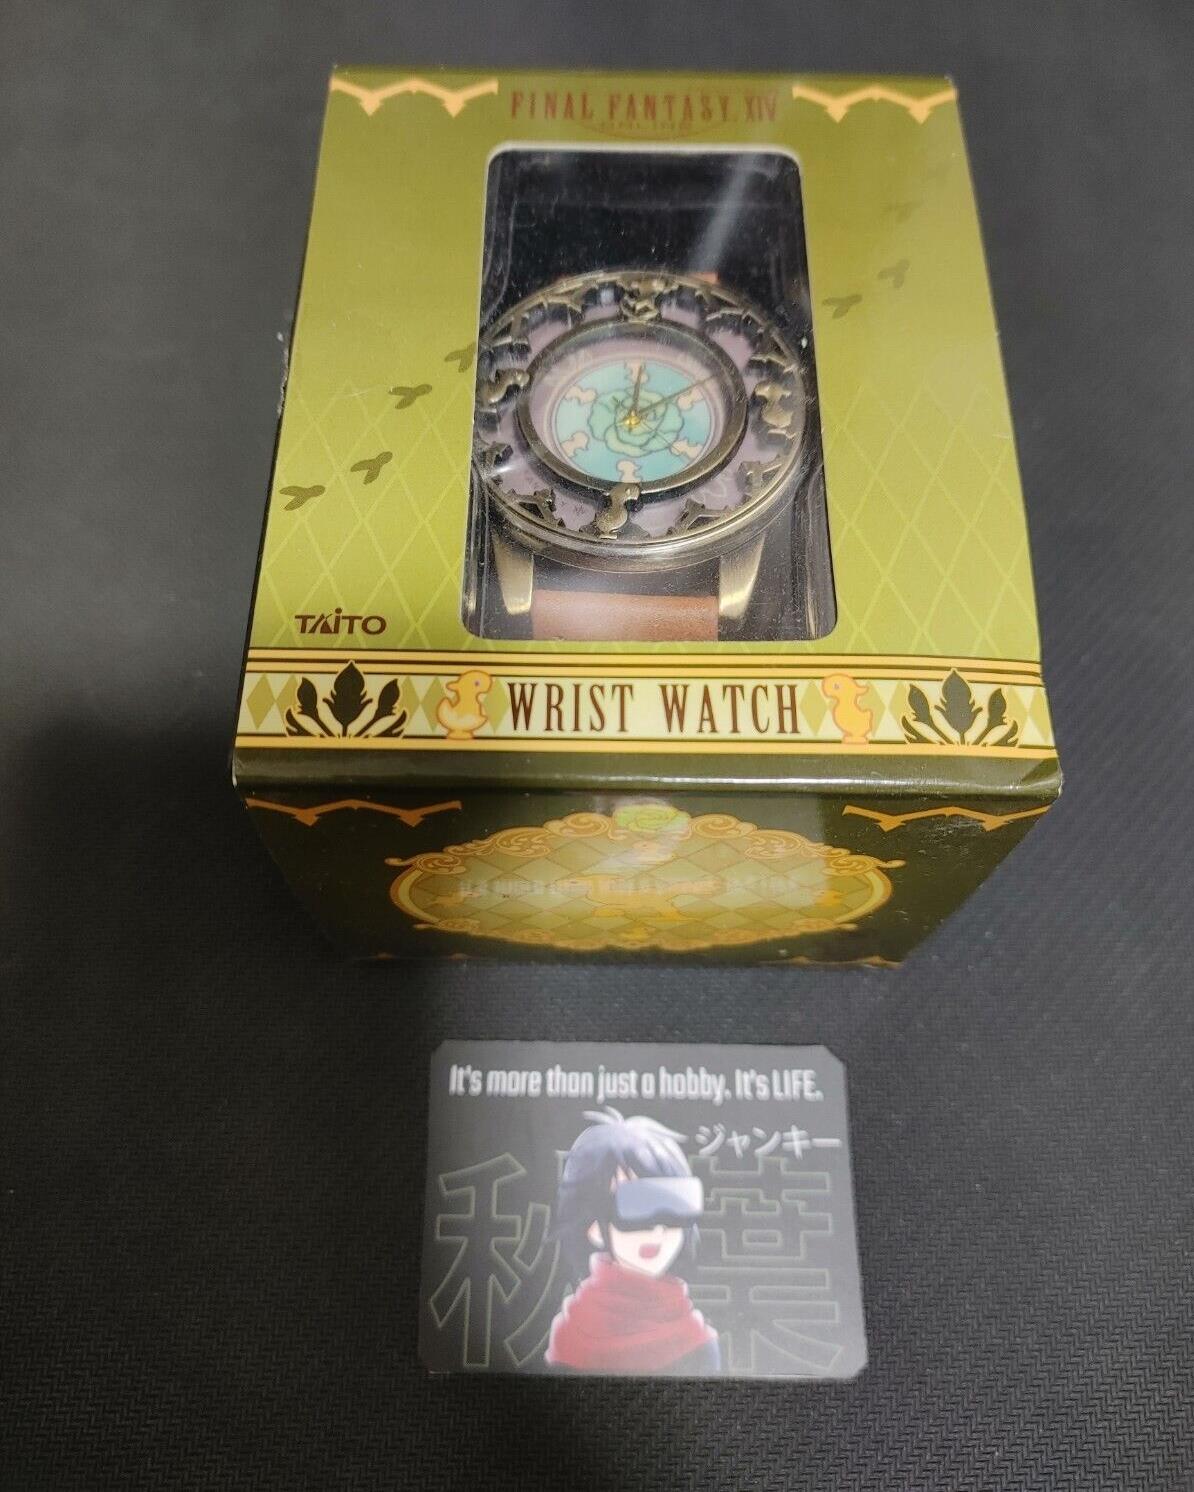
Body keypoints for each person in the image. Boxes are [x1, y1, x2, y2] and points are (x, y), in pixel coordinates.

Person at [546, 1107, 720, 1375]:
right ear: (594, 1226)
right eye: (636, 1205)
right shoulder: (570, 1334)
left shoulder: (697, 1339)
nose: (658, 1230)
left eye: (673, 1205)